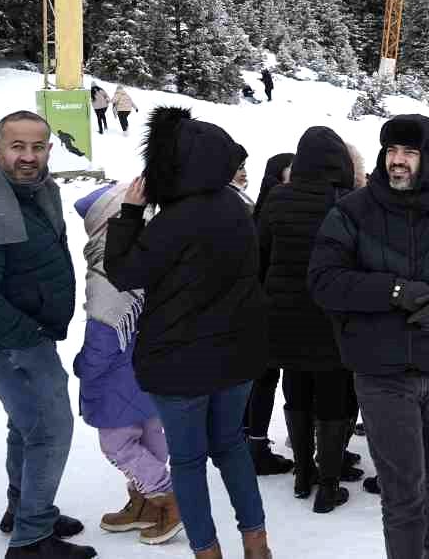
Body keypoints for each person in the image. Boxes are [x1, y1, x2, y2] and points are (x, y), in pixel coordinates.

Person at [309, 116, 429, 557]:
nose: (397, 161)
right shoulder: (351, 211)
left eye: (409, 153)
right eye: (391, 151)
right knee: (403, 491)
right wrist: (393, 291)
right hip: (382, 375)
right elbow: (322, 281)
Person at [104, 108, 271, 559]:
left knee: (190, 462)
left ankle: (207, 551)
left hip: (180, 365)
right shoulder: (236, 208)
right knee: (231, 446)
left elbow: (123, 271)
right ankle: (257, 544)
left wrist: (130, 214)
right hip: (237, 357)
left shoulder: (172, 221)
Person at [0, 111, 96, 558]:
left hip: (24, 332)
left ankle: (24, 509)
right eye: (17, 146)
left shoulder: (33, 191)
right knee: (50, 429)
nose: (28, 156)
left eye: (38, 146)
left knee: (25, 424)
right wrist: (29, 335)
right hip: (3, 340)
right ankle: (31, 539)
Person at [258, 127, 364, 513]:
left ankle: (303, 474)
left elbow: (261, 255)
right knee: (333, 396)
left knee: (296, 389)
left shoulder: (276, 199)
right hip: (332, 316)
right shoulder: (348, 202)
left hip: (283, 315)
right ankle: (328, 484)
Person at [71, 184, 181, 545]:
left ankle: (168, 498)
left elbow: (102, 336)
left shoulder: (107, 270)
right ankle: (144, 503)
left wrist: (83, 368)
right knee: (150, 439)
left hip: (116, 381)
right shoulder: (149, 256)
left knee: (118, 446)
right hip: (150, 374)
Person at [245, 154, 295, 478]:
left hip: (259, 309)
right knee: (266, 380)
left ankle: (251, 442)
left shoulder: (257, 208)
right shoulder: (273, 210)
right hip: (270, 311)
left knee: (261, 380)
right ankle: (257, 446)